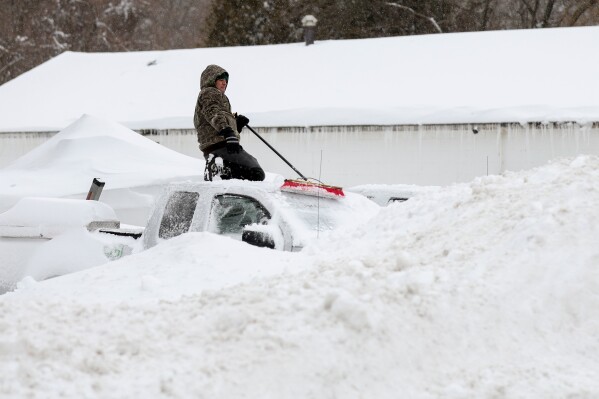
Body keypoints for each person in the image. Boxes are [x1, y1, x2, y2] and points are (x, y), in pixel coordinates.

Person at [193, 64, 265, 182]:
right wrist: (228, 131)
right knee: (255, 172)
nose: (224, 83)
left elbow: (215, 119)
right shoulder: (209, 92)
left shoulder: (217, 96)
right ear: (211, 80)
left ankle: (219, 171)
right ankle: (216, 168)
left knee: (248, 172)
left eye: (226, 81)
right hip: (220, 146)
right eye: (221, 80)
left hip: (222, 145)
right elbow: (213, 112)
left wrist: (236, 125)